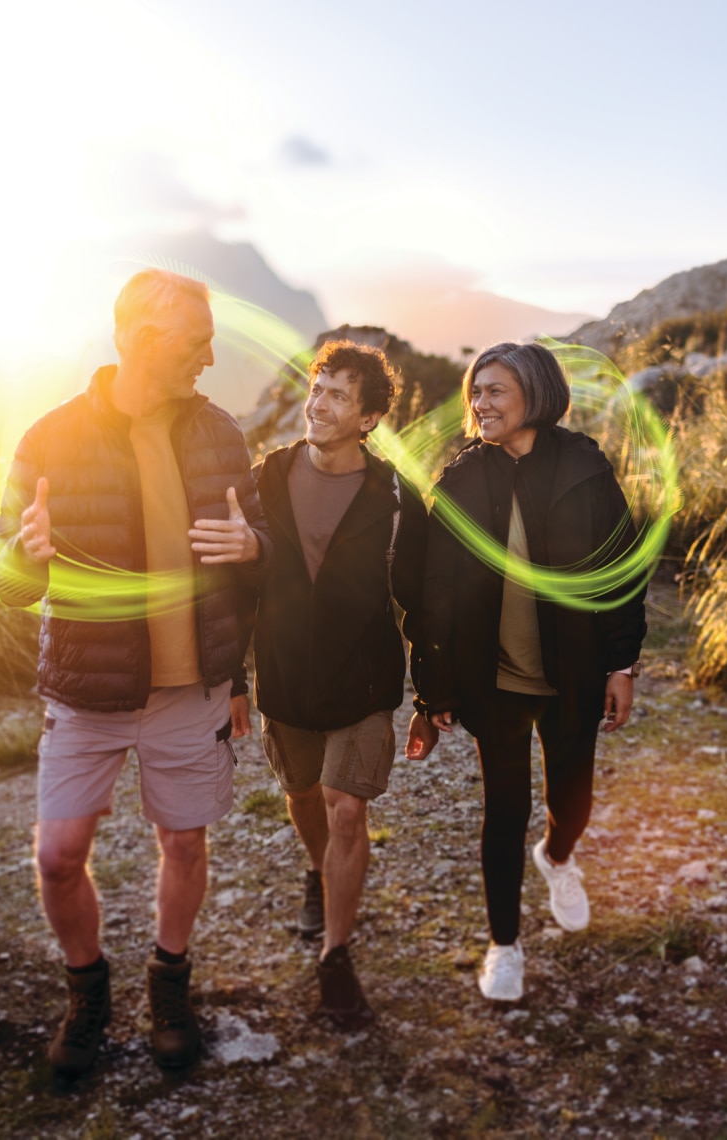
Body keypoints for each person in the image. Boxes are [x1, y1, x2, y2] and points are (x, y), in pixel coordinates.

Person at [0, 269, 270, 1074]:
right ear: (144, 341)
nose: (209, 359)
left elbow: (260, 549)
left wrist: (254, 547)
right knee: (57, 856)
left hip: (192, 690)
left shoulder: (220, 434)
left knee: (184, 842)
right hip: (87, 690)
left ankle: (169, 982)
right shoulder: (49, 439)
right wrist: (23, 555)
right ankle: (88, 992)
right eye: (197, 343)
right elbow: (7, 581)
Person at [409, 341, 646, 1003]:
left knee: (574, 803)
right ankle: (504, 944)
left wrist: (622, 663)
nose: (480, 403)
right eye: (476, 391)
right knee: (504, 812)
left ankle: (558, 857)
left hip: (573, 672)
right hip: (493, 680)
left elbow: (620, 570)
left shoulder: (584, 467)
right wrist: (433, 688)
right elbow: (434, 593)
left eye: (496, 391)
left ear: (535, 395)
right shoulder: (460, 481)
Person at [251, 340, 433, 1027]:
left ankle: (336, 954)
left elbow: (420, 603)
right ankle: (319, 871)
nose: (317, 405)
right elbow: (232, 584)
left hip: (364, 682)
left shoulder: (396, 499)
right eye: (316, 389)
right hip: (284, 676)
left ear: (369, 418)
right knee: (302, 794)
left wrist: (431, 695)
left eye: (336, 396)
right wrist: (229, 680)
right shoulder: (265, 478)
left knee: (346, 807)